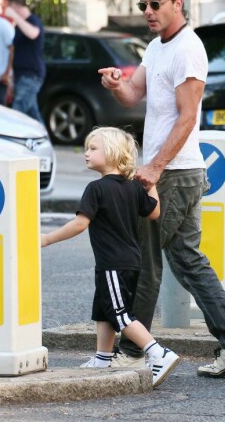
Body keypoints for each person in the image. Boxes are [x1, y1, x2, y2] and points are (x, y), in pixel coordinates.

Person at [98, 0, 225, 378]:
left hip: (173, 173)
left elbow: (188, 118)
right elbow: (134, 95)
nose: (148, 11)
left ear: (177, 3)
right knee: (187, 259)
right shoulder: (156, 47)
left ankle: (135, 355)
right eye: (143, 6)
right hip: (175, 172)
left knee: (143, 259)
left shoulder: (189, 49)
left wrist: (153, 167)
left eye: (155, 4)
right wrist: (117, 84)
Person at [41, 127, 180, 387]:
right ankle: (103, 358)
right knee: (103, 309)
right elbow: (153, 213)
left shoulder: (96, 189)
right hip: (127, 261)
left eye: (93, 148)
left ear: (113, 154)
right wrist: (151, 187)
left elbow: (81, 224)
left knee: (120, 314)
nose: (86, 153)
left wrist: (47, 238)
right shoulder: (133, 188)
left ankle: (158, 353)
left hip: (113, 263)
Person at [4, 0, 45, 124]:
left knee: (17, 113)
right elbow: (14, 51)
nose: (6, 9)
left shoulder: (33, 20)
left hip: (30, 75)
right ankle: (45, 142)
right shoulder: (18, 26)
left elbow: (33, 34)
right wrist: (10, 75)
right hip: (20, 75)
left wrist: (15, 16)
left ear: (15, 5)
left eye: (8, 5)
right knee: (33, 114)